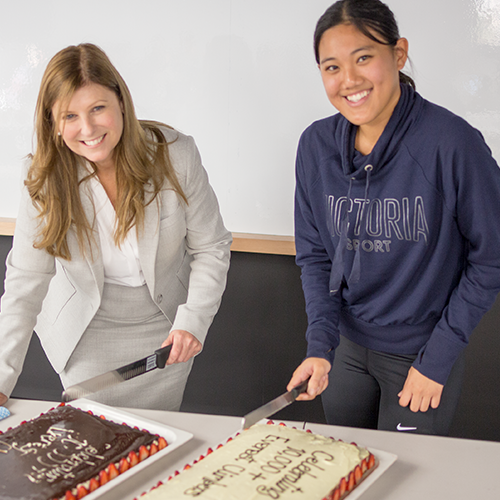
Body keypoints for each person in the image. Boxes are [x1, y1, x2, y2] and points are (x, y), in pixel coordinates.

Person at [287, 0, 500, 435]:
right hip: (344, 352)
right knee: (348, 465)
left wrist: (438, 358)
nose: (349, 80)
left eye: (364, 57)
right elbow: (315, 258)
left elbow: (492, 257)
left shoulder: (452, 143)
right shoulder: (315, 146)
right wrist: (320, 346)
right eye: (331, 67)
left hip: (420, 356)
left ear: (398, 54)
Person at [0, 43, 232, 410]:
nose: (88, 128)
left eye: (97, 109)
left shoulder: (176, 154)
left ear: (120, 102)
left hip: (164, 330)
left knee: (154, 446)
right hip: (85, 335)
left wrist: (192, 321)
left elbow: (211, 247)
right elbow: (25, 283)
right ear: (53, 123)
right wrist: (0, 380)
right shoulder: (43, 178)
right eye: (70, 116)